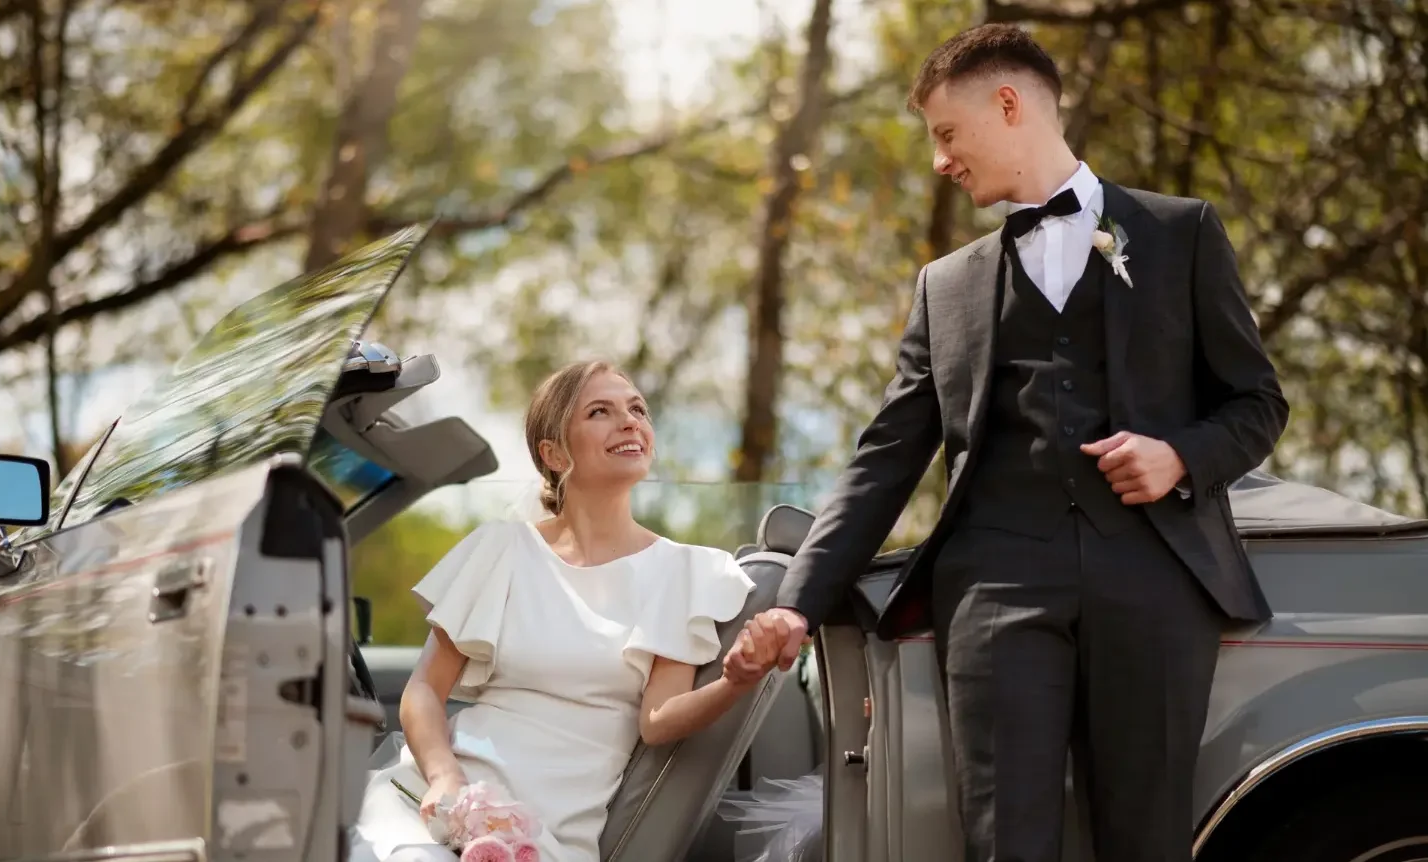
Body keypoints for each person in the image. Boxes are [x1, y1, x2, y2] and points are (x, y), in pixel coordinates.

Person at [725, 24, 1289, 862]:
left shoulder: (1182, 234)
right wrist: (794, 601)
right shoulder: (944, 286)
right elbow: (886, 458)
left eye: (947, 134)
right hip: (995, 589)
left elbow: (1257, 402)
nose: (940, 161)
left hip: (1156, 584)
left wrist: (1181, 458)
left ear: (1009, 103)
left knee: (1148, 842)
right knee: (1004, 845)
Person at [350, 360, 786, 862]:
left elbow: (658, 721)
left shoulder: (682, 571)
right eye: (600, 411)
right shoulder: (503, 549)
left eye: (637, 409)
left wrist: (736, 679)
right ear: (553, 453)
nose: (629, 421)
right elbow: (425, 690)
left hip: (544, 836)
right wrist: (445, 778)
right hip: (434, 801)